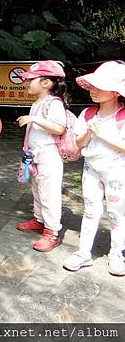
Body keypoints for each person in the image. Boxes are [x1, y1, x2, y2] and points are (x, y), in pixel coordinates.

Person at [63, 61, 125, 275]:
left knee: (117, 215)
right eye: (93, 86)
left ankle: (117, 253)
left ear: (116, 91)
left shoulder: (122, 116)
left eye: (100, 86)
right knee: (90, 211)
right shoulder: (88, 114)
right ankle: (83, 252)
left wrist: (102, 135)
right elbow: (79, 144)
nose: (93, 91)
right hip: (91, 168)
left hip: (117, 171)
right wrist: (90, 133)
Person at [15, 60, 67, 252]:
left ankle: (52, 231)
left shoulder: (54, 103)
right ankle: (39, 219)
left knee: (49, 193)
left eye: (31, 79)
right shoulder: (39, 102)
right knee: (37, 189)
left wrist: (34, 118)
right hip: (35, 153)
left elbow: (59, 128)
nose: (28, 83)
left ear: (46, 83)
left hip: (49, 154)